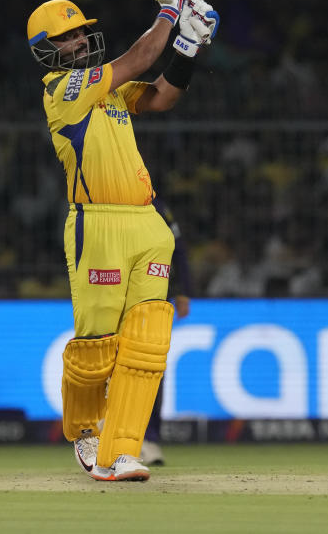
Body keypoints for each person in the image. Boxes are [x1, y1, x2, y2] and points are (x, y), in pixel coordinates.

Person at [26, 0, 217, 481]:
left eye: (82, 34)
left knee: (148, 345)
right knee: (98, 345)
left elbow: (159, 97)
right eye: (66, 38)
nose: (80, 42)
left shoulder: (106, 92)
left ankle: (124, 449)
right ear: (45, 52)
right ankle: (87, 433)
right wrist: (171, 13)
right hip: (98, 224)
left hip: (147, 223)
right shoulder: (63, 91)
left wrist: (190, 47)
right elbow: (135, 61)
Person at [141, 195, 194, 467]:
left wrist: (183, 290)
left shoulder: (156, 205)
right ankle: (110, 435)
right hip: (117, 293)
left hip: (154, 294)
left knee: (151, 365)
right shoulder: (103, 202)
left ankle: (149, 439)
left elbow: (178, 247)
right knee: (111, 363)